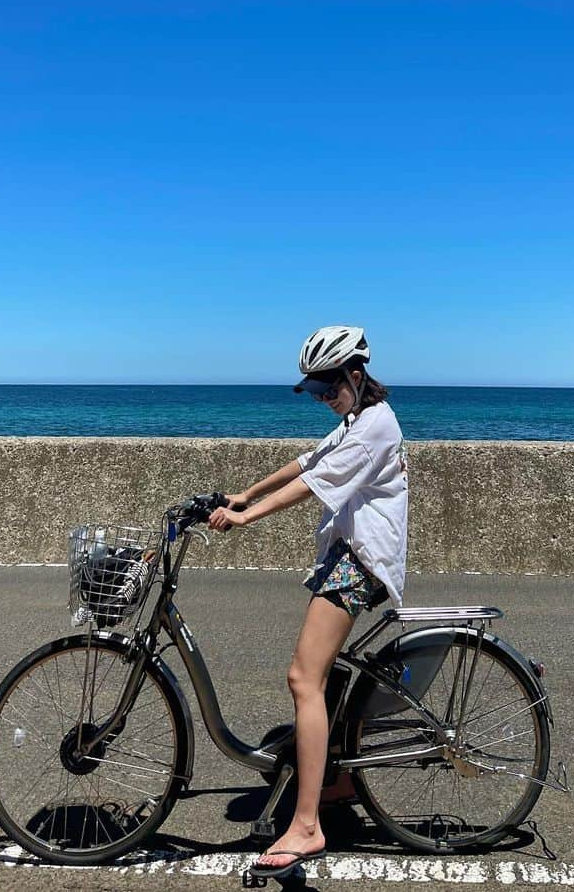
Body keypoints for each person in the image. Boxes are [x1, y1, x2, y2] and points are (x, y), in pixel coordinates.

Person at [208, 324, 408, 877]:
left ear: (356, 375)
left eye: (330, 388)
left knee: (304, 679)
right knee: (323, 676)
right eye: (316, 392)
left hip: (360, 561)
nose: (324, 399)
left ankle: (306, 827)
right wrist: (244, 491)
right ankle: (338, 779)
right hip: (347, 552)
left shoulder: (375, 427)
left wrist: (248, 516)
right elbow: (307, 461)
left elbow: (317, 486)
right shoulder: (355, 421)